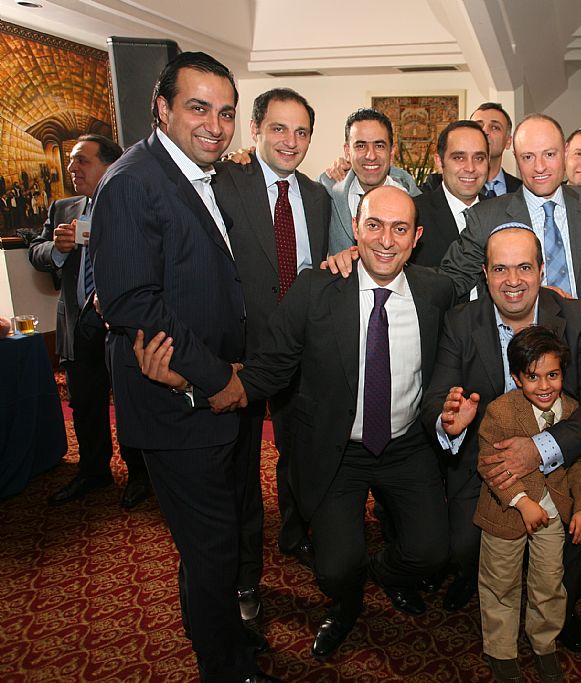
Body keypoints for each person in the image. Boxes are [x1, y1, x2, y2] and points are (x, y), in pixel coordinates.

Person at [89, 51, 279, 682]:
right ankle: (225, 669)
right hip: (178, 402)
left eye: (226, 112)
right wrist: (222, 378)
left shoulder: (206, 174)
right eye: (199, 108)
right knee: (213, 543)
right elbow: (132, 301)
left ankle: (221, 636)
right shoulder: (133, 181)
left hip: (214, 394)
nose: (215, 125)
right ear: (162, 108)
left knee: (217, 540)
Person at [231, 186, 451, 659]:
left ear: (417, 237)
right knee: (333, 569)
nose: (386, 240)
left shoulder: (436, 291)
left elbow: (482, 315)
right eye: (374, 225)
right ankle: (346, 602)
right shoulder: (316, 288)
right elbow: (270, 367)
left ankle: (384, 574)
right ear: (355, 229)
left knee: (433, 551)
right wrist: (207, 386)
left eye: (399, 229)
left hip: (405, 445)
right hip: (336, 450)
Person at [424, 225, 581, 651]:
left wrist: (539, 449)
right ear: (485, 273)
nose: (513, 281)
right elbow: (437, 398)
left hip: (563, 459)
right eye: (501, 269)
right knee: (463, 547)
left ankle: (560, 606)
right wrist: (448, 419)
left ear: (542, 269)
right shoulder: (461, 321)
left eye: (524, 268)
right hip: (488, 461)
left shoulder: (578, 317)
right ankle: (478, 578)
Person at [211, 87, 332, 620]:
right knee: (238, 469)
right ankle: (245, 577)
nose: (291, 141)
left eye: (301, 131)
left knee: (300, 452)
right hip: (239, 354)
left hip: (299, 353)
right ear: (255, 130)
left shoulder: (318, 198)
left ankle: (294, 534)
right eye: (279, 129)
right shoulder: (223, 180)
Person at [29, 134, 150, 509]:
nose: (72, 168)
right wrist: (57, 249)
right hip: (77, 323)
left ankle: (140, 474)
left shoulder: (135, 202)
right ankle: (93, 471)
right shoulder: (63, 208)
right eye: (71, 161)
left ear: (110, 165)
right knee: (84, 403)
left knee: (130, 403)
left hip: (121, 324)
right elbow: (36, 251)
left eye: (82, 160)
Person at [471, 325, 581, 683]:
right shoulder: (501, 412)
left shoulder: (572, 411)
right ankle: (501, 650)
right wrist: (522, 501)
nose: (544, 386)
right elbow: (490, 466)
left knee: (549, 582)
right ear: (516, 378)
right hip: (505, 511)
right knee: (500, 582)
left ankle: (544, 643)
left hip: (554, 513)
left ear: (563, 374)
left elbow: (580, 463)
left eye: (553, 375)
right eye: (533, 377)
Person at [439, 114, 581, 302]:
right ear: (516, 158)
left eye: (549, 154)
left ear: (565, 152)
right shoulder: (486, 218)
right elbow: (450, 281)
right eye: (528, 157)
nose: (539, 167)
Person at [318, 108, 421, 252]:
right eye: (361, 146)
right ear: (347, 151)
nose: (371, 156)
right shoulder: (325, 191)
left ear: (391, 152)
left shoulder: (413, 198)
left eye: (379, 146)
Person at [411, 120, 489, 267]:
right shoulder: (414, 214)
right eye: (459, 158)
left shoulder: (502, 215)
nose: (470, 168)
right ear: (439, 162)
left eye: (479, 158)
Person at [472, 102, 523, 198]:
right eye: (478, 126)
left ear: (508, 142)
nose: (485, 131)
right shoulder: (448, 186)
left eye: (495, 127)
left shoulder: (523, 191)